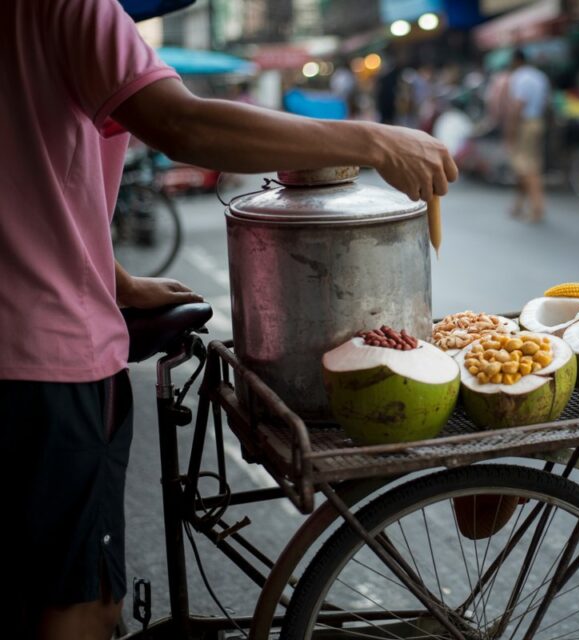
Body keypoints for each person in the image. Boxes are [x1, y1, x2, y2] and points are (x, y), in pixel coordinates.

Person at [1, 1, 456, 638]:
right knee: (74, 607)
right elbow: (180, 121)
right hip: (42, 358)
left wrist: (116, 280)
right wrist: (374, 138)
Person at [505, 49, 550, 223]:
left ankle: (537, 207)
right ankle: (518, 204)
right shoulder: (540, 76)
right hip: (537, 122)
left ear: (516, 61)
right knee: (528, 165)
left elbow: (518, 105)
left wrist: (511, 131)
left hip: (525, 124)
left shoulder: (520, 78)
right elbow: (545, 102)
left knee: (526, 168)